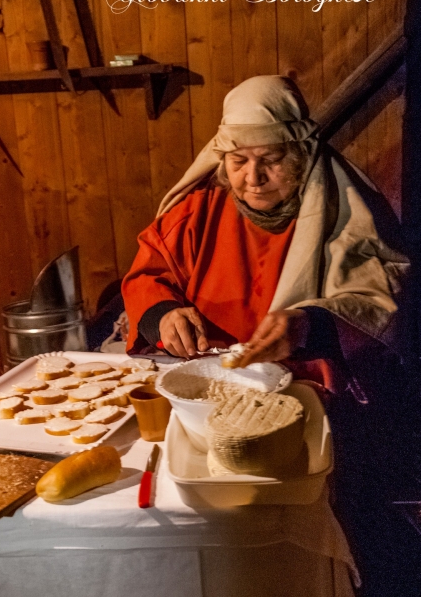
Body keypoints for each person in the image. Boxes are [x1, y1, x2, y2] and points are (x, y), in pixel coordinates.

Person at [122, 75, 409, 399]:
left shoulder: (344, 213)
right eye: (239, 161)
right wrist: (164, 317)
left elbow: (381, 304)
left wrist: (307, 325)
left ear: (303, 156)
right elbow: (147, 275)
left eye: (271, 160)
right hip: (205, 385)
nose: (254, 177)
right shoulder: (198, 213)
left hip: (309, 394)